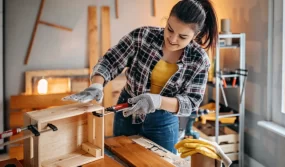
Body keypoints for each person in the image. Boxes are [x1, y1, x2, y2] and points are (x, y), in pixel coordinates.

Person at [62, 0, 218, 154]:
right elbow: (111, 60)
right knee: (123, 159)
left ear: (195, 35)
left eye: (182, 37)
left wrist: (158, 101)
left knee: (161, 164)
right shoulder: (143, 36)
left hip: (163, 120)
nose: (172, 39)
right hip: (127, 111)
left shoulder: (199, 60)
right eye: (169, 29)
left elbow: (191, 102)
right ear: (167, 20)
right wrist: (96, 84)